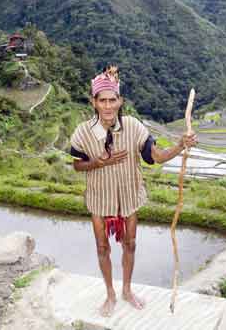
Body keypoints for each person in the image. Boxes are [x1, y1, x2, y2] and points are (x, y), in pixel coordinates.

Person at [69, 65, 198, 317]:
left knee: (130, 243)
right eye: (102, 101)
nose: (107, 106)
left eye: (112, 100)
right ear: (93, 102)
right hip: (99, 198)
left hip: (129, 196)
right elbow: (77, 165)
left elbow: (157, 156)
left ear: (120, 101)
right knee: (102, 247)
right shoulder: (83, 133)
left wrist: (180, 145)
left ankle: (127, 290)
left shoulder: (134, 127)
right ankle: (110, 294)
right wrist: (98, 162)